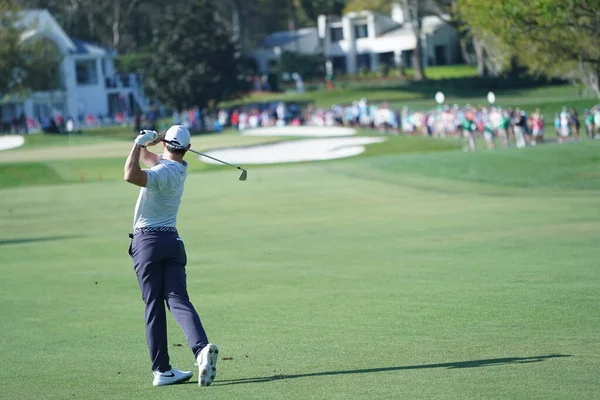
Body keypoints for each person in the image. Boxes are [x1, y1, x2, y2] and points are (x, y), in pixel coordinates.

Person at [123, 125, 218, 387]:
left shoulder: (162, 171)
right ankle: (200, 351)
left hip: (148, 243)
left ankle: (162, 370)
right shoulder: (179, 169)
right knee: (177, 299)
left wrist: (136, 143)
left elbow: (130, 174)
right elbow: (150, 159)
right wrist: (148, 144)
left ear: (166, 144)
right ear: (187, 149)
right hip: (172, 242)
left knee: (153, 305)